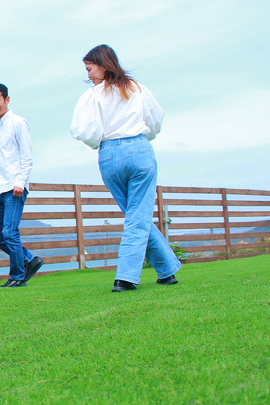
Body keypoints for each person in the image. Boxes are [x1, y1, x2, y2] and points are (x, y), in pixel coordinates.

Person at [69, 45, 181, 292]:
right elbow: (155, 119)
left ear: (103, 64)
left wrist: (101, 141)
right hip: (138, 150)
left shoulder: (91, 96)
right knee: (137, 216)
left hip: (109, 155)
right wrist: (143, 138)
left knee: (135, 215)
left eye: (90, 69)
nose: (88, 75)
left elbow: (83, 131)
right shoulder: (136, 88)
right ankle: (132, 275)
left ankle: (159, 272)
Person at [0, 82, 44, 288]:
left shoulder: (18, 123)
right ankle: (28, 258)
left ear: (6, 100)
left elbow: (26, 156)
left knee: (10, 232)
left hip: (15, 187)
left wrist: (20, 182)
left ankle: (17, 277)